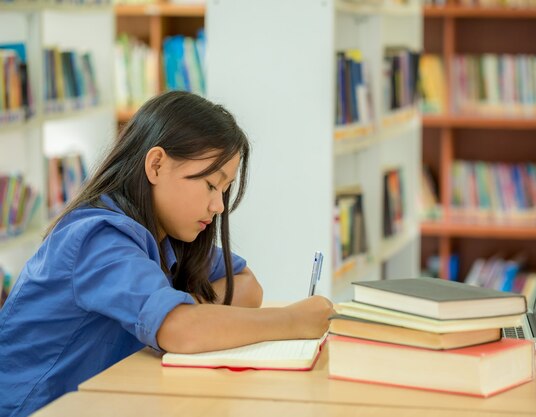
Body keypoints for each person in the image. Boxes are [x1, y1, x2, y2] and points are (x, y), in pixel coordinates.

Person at [0, 91, 334, 417]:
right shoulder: (99, 237)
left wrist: (189, 313)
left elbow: (247, 287)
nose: (218, 206)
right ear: (157, 165)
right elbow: (181, 331)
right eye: (209, 184)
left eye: (224, 190)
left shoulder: (166, 238)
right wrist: (294, 321)